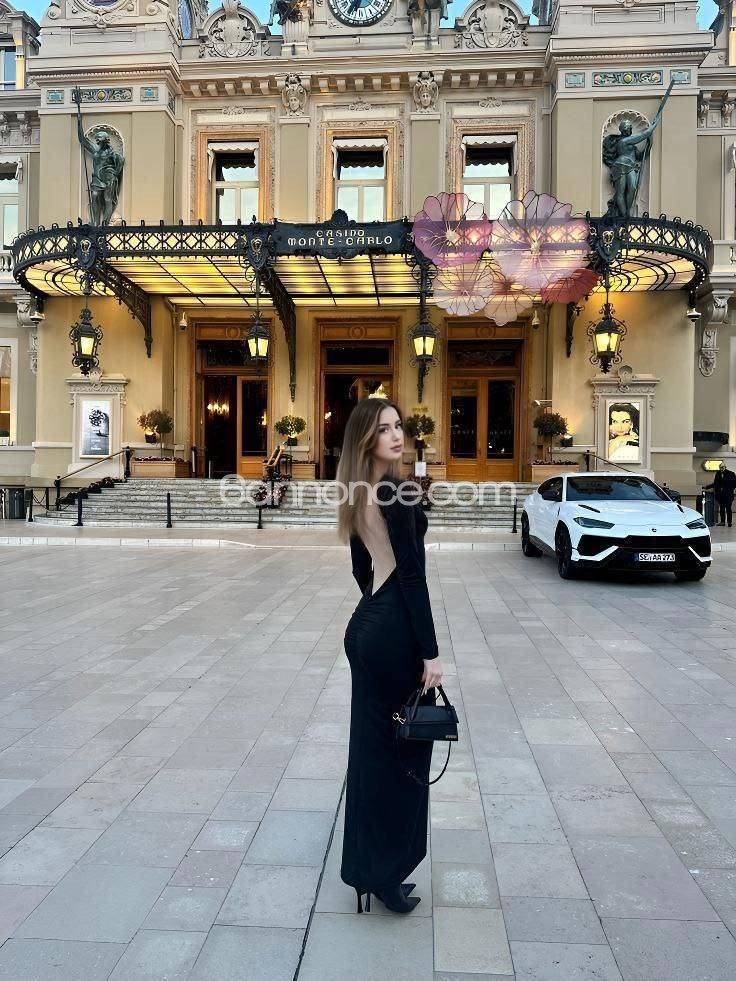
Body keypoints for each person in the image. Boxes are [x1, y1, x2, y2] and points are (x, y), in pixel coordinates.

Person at [336, 397, 443, 916]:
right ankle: (385, 874)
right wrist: (431, 652)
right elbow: (413, 578)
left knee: (372, 752)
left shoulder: (357, 490)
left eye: (398, 426)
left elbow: (362, 566)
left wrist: (374, 612)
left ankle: (369, 869)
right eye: (384, 429)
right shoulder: (396, 492)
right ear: (366, 439)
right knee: (405, 752)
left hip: (366, 626)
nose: (397, 436)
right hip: (392, 629)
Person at [706, 462, 736, 527]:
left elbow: (734, 483)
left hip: (728, 495)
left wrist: (730, 490)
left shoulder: (731, 473)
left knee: (728, 508)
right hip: (720, 495)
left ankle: (729, 522)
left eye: (722, 467)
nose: (721, 469)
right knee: (722, 508)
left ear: (725, 467)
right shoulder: (718, 473)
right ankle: (722, 522)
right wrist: (707, 487)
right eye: (720, 467)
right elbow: (715, 483)